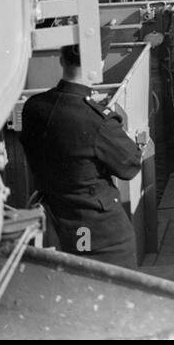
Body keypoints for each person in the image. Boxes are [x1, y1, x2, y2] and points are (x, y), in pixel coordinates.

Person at [20, 44, 143, 267]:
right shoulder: (97, 120)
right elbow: (130, 166)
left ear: (61, 60)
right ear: (99, 65)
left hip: (56, 224)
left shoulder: (33, 108)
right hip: (100, 236)